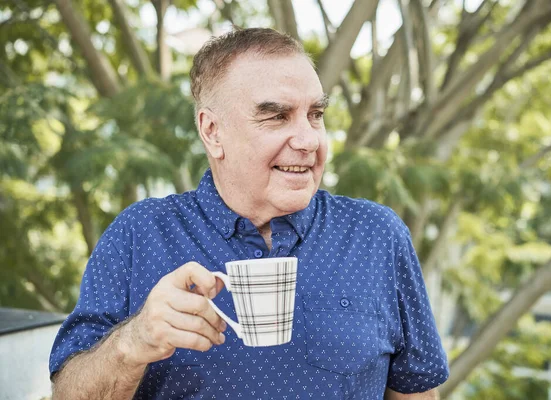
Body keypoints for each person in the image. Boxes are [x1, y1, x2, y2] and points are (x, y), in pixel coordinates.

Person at [49, 27, 449, 399]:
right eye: (277, 116)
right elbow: (66, 392)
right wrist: (133, 342)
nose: (309, 139)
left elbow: (416, 391)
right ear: (212, 131)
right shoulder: (139, 234)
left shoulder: (376, 234)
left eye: (315, 115)